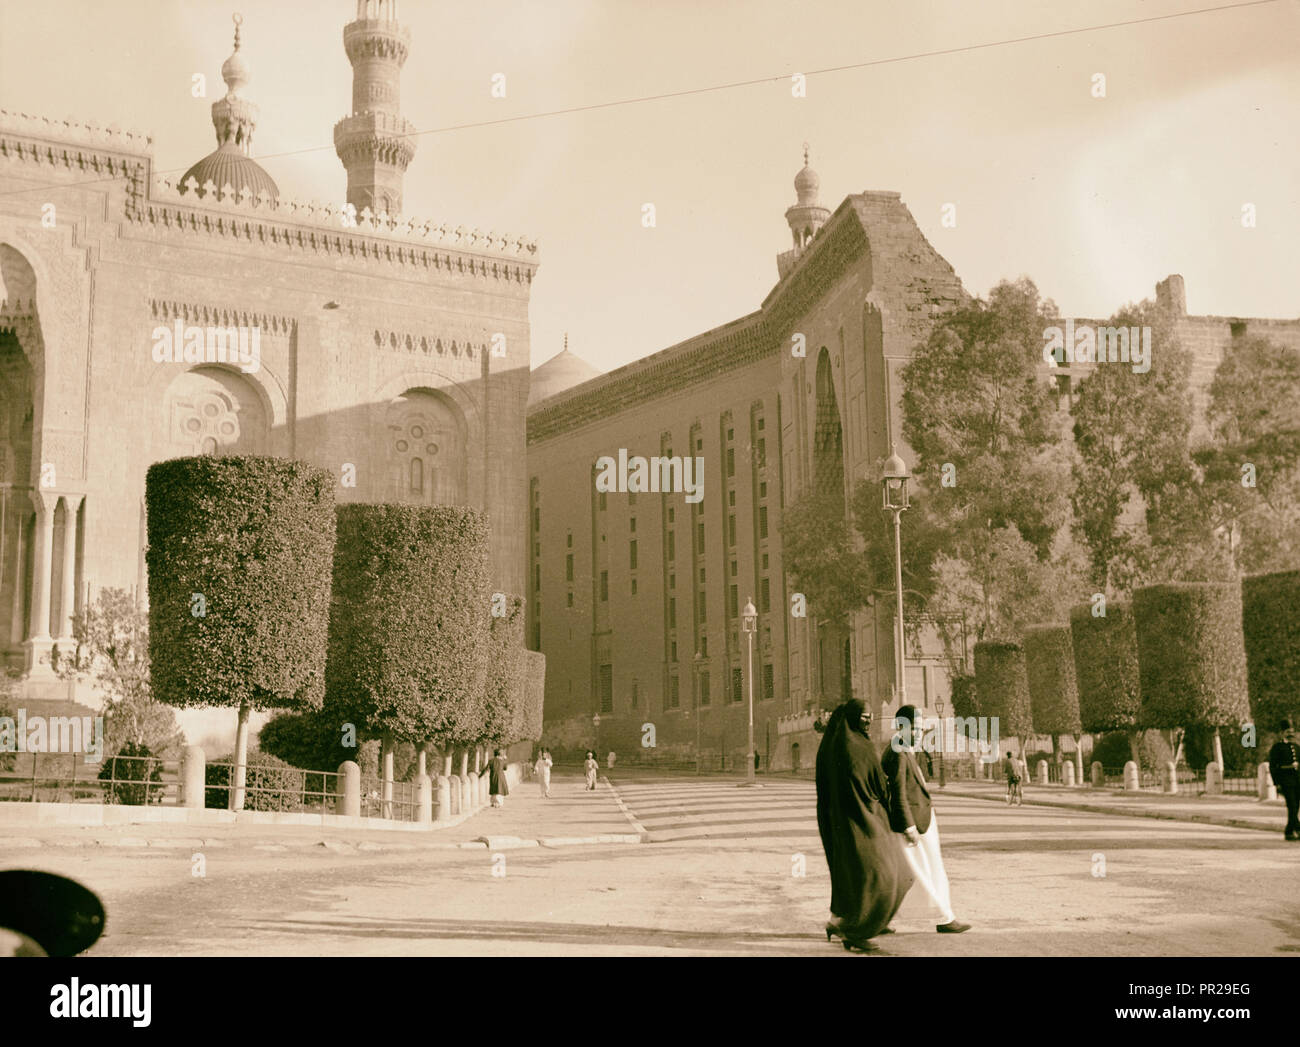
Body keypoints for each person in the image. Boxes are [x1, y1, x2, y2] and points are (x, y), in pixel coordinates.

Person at [814, 699, 912, 952]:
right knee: (884, 874)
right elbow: (876, 784)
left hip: (848, 821)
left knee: (858, 875)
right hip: (865, 820)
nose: (868, 722)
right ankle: (857, 933)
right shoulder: (857, 745)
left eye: (870, 717)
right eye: (864, 717)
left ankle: (843, 922)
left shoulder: (837, 744)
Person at [882, 705, 970, 935]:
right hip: (913, 824)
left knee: (911, 874)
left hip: (920, 820)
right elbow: (898, 792)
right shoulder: (899, 752)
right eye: (915, 728)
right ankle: (945, 918)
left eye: (921, 728)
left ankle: (884, 919)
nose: (919, 733)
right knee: (923, 872)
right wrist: (909, 825)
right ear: (901, 726)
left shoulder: (905, 749)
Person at [1267, 719, 1300, 841]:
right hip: (1286, 780)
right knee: (1292, 805)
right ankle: (1297, 828)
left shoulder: (1296, 747)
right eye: (1287, 732)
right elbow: (1273, 767)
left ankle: (1289, 831)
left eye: (1292, 732)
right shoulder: (1277, 748)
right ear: (1282, 733)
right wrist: (1277, 783)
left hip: (1297, 780)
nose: (1290, 734)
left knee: (1296, 806)